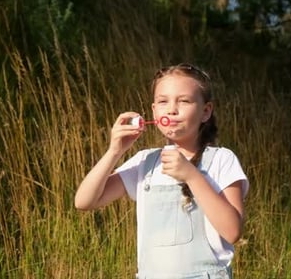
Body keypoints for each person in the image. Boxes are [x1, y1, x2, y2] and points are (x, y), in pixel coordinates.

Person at [74, 63, 249, 279]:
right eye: (163, 101)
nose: (172, 109)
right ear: (154, 111)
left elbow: (233, 232)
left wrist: (191, 176)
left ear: (206, 111)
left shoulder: (222, 159)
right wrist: (114, 151)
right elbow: (84, 201)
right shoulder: (145, 162)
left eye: (184, 101)